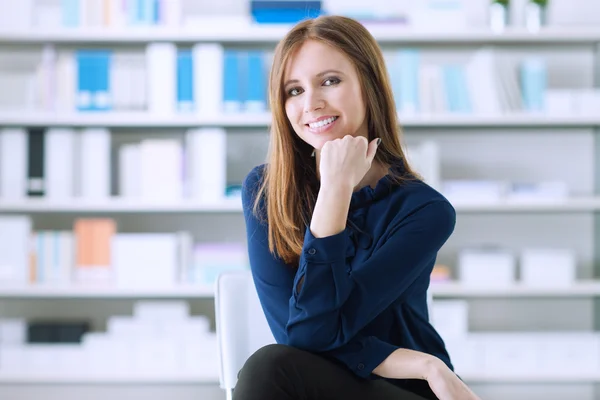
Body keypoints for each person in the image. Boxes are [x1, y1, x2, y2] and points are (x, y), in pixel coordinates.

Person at [237, 15, 481, 400]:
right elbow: (297, 336)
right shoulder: (265, 192)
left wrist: (335, 189)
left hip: (399, 391)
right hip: (350, 376)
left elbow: (314, 333)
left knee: (272, 366)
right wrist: (421, 362)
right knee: (269, 366)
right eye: (294, 91)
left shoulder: (425, 210)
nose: (311, 104)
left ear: (369, 86)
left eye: (329, 82)